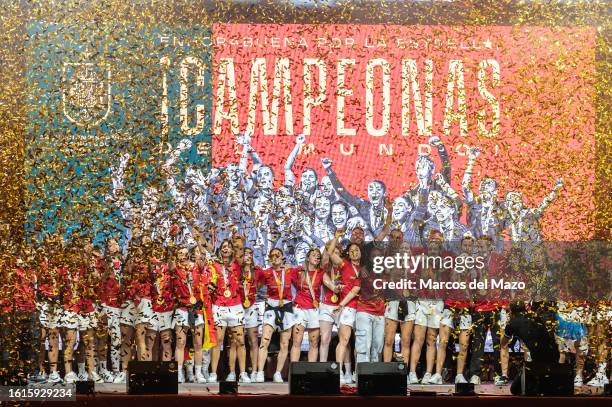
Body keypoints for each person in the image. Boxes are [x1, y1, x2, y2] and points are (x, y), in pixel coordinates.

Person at [430, 234, 474, 384]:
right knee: (442, 341)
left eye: (470, 246)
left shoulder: (477, 264)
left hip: (466, 309)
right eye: (465, 245)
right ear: (461, 246)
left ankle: (459, 375)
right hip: (450, 305)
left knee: (464, 344)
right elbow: (452, 277)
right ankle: (437, 374)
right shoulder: (453, 261)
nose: (467, 248)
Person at [409, 230, 448, 384]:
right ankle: (412, 372)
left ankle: (428, 373)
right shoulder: (421, 261)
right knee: (418, 339)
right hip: (422, 301)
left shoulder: (445, 263)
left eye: (436, 247)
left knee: (431, 340)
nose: (433, 250)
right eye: (431, 247)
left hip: (437, 303)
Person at [253, 248, 299, 383]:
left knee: (284, 344)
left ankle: (278, 373)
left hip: (287, 307)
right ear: (269, 259)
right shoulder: (266, 272)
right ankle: (260, 372)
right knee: (264, 341)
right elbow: (256, 286)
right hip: (271, 307)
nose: (275, 257)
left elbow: (302, 283)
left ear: (282, 257)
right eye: (272, 256)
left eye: (277, 255)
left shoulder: (291, 271)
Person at [326, 235, 362, 384]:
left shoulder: (366, 268)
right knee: (344, 340)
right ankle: (338, 372)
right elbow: (329, 252)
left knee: (360, 344)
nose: (354, 252)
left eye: (356, 250)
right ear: (348, 253)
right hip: (347, 307)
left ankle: (356, 373)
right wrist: (336, 237)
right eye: (351, 250)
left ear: (360, 252)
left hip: (362, 308)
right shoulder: (344, 264)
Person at [504, 301, 561, 395]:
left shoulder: (512, 323)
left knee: (515, 389)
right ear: (525, 309)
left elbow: (503, 343)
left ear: (511, 311)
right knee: (546, 387)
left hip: (539, 359)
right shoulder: (534, 317)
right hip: (554, 353)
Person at [291, 248, 333, 363]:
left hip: (314, 310)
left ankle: (311, 372)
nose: (316, 257)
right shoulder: (299, 271)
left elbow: (332, 286)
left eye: (318, 256)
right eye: (313, 255)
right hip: (299, 309)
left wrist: (337, 288)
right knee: (297, 341)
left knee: (314, 342)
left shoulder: (321, 273)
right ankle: (294, 372)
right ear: (308, 258)